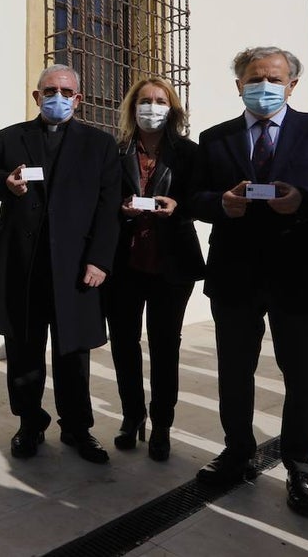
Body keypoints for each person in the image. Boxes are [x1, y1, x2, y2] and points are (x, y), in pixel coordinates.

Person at [189, 46, 308, 517]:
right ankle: (237, 452)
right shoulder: (215, 138)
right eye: (254, 78)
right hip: (235, 273)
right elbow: (193, 197)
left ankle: (301, 466)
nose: (264, 86)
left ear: (292, 85)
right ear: (238, 85)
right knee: (234, 371)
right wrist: (219, 204)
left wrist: (305, 199)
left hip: (302, 272)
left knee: (304, 376)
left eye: (274, 78)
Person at [0, 64, 121, 464]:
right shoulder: (11, 137)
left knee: (72, 353)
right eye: (49, 90)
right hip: (23, 263)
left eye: (66, 91)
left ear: (77, 99)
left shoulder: (100, 144)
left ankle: (78, 428)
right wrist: (5, 183)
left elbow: (107, 206)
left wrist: (99, 260)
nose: (57, 97)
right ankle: (29, 424)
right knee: (23, 351)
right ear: (36, 96)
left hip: (76, 266)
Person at [104, 77, 204, 462]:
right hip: (124, 262)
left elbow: (200, 198)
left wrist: (179, 206)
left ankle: (162, 424)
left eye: (160, 100)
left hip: (171, 263)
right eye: (144, 100)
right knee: (124, 344)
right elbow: (103, 197)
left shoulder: (189, 154)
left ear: (172, 108)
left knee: (165, 346)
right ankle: (132, 418)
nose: (152, 106)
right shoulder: (115, 152)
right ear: (132, 108)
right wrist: (120, 206)